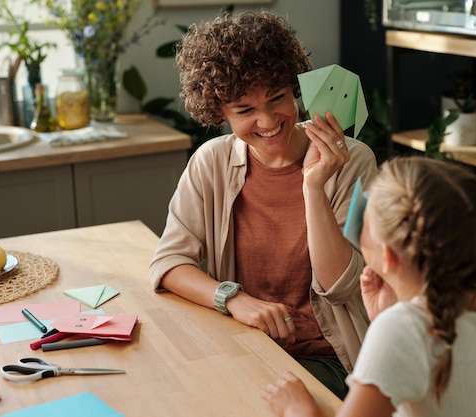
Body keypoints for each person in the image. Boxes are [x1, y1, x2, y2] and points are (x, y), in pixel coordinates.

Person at [149, 10, 377, 399]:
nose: (268, 120)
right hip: (244, 343)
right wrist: (233, 298)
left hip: (328, 357)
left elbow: (342, 286)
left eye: (278, 98)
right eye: (244, 110)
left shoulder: (352, 161)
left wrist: (313, 187)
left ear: (295, 89)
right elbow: (169, 264)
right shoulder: (211, 163)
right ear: (219, 111)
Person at [261, 156, 476, 417]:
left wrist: (299, 410)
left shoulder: (403, 328)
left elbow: (409, 342)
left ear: (387, 256)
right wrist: (384, 319)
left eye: (365, 217)